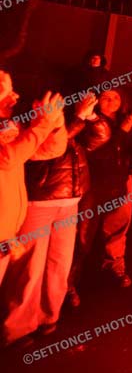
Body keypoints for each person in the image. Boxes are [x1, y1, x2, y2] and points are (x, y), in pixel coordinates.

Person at [2, 97, 91, 345]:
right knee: (30, 268)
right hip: (38, 200)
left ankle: (48, 316)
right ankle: (17, 327)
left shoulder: (18, 124)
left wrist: (57, 121)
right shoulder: (18, 124)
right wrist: (48, 122)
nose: (14, 96)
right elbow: (14, 155)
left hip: (67, 198)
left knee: (59, 263)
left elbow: (55, 148)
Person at [67, 90, 132, 306]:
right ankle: (68, 283)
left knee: (118, 227)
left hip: (121, 180)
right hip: (94, 184)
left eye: (116, 97)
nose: (112, 101)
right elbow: (101, 151)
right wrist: (123, 132)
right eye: (106, 97)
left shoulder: (128, 119)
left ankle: (115, 267)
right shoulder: (91, 121)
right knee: (83, 234)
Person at [0, 71, 67, 292]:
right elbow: (7, 158)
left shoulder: (6, 126)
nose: (15, 96)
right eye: (4, 89)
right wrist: (42, 125)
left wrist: (55, 124)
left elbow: (49, 150)